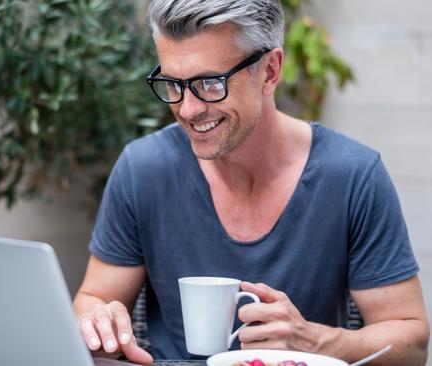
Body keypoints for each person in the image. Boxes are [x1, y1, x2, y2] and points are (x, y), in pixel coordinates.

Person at [72, 0, 429, 365]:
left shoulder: (353, 175)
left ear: (270, 71)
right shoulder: (143, 168)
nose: (188, 109)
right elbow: (94, 298)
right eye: (172, 84)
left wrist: (315, 341)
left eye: (210, 83)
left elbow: (411, 342)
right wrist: (98, 321)